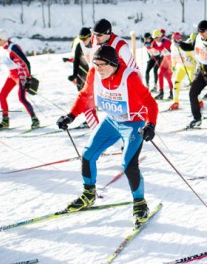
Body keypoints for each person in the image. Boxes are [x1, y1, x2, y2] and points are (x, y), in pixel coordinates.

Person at [56, 45, 157, 227]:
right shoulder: (95, 73)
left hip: (133, 124)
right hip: (111, 121)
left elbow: (150, 103)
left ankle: (140, 203)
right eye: (95, 64)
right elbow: (85, 95)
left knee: (128, 165)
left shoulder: (130, 78)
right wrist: (71, 115)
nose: (98, 68)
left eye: (102, 65)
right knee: (87, 155)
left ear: (113, 64)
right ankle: (88, 195)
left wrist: (151, 124)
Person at [0, 29, 39, 130]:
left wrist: (28, 78)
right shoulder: (2, 48)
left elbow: (26, 62)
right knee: (2, 95)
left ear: (4, 38)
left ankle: (35, 119)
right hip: (11, 75)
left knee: (21, 98)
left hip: (20, 75)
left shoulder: (13, 48)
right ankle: (5, 121)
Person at [151, 29, 173, 100]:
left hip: (171, 58)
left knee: (168, 76)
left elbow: (160, 48)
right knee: (160, 74)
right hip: (166, 58)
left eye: (156, 38)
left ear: (160, 36)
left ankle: (172, 92)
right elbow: (153, 45)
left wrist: (153, 46)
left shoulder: (164, 40)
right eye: (154, 38)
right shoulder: (159, 40)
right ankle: (161, 93)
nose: (155, 40)